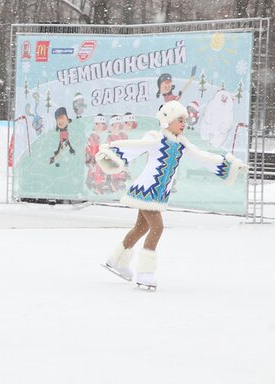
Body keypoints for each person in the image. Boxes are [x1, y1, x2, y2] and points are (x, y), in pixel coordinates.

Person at [95, 101, 247, 291]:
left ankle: (116, 260)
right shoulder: (156, 139)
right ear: (167, 121)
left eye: (185, 120)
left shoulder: (182, 143)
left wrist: (230, 166)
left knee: (141, 227)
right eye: (179, 120)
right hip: (146, 191)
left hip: (158, 195)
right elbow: (135, 146)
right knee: (157, 227)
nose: (184, 124)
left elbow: (203, 157)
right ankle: (145, 273)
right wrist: (111, 154)